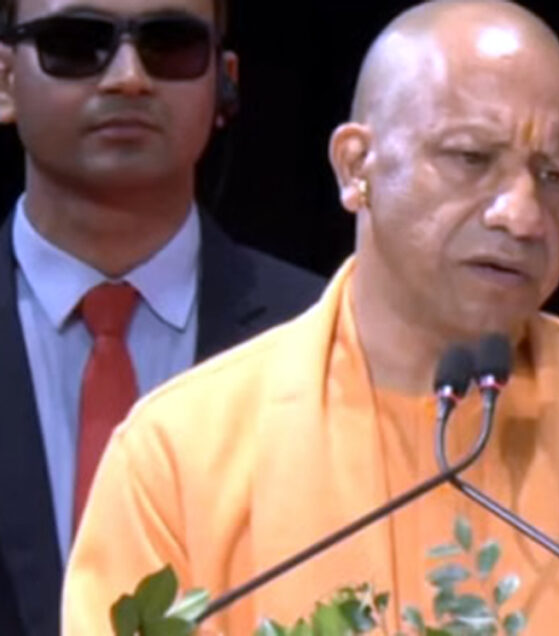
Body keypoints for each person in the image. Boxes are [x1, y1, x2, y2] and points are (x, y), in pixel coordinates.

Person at [62, 1, 559, 633]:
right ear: (356, 166)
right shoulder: (176, 457)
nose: (521, 215)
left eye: (553, 176)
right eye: (471, 158)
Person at [0, 0, 324, 632]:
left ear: (224, 81)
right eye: (77, 43)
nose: (128, 77)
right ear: (6, 80)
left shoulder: (319, 336)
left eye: (169, 44)